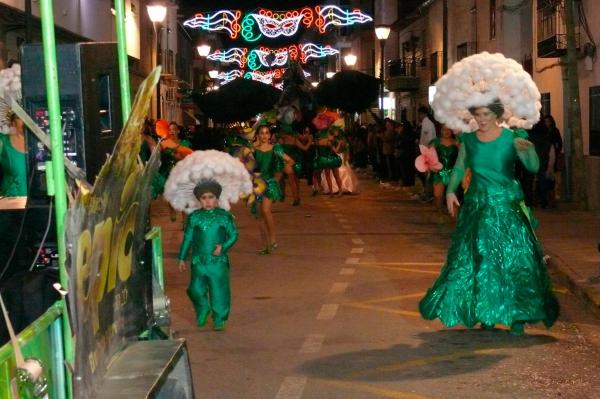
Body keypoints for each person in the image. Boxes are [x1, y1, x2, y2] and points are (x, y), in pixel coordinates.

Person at [419, 102, 559, 335]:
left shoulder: (511, 138)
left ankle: (518, 315)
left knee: (515, 260)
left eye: (486, 114)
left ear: (497, 115)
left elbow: (533, 167)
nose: (481, 119)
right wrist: (452, 190)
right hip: (478, 207)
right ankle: (487, 312)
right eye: (477, 114)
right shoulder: (470, 140)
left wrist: (528, 151)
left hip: (506, 208)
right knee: (481, 260)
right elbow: (460, 166)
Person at [177, 180, 238, 331]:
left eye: (211, 197)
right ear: (199, 200)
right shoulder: (194, 217)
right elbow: (188, 238)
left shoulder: (225, 216)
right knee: (194, 289)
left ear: (217, 199)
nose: (207, 201)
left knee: (219, 290)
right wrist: (182, 257)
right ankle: (203, 307)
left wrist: (223, 247)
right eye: (203, 198)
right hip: (199, 260)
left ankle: (219, 318)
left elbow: (234, 234)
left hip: (218, 261)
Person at [254, 125, 294, 254]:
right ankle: (266, 245)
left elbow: (290, 161)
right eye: (262, 133)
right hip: (257, 184)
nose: (264, 135)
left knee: (266, 211)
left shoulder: (275, 149)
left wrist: (284, 169)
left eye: (267, 133)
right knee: (259, 216)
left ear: (270, 135)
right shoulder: (253, 150)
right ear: (258, 135)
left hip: (270, 183)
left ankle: (273, 239)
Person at [429, 125, 458, 211]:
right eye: (444, 129)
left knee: (453, 196)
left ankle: (454, 218)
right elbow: (428, 156)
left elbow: (463, 156)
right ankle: (439, 214)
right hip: (439, 172)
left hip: (453, 172)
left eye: (449, 129)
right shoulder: (435, 142)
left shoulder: (456, 142)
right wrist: (431, 167)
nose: (447, 131)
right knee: (438, 196)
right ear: (440, 130)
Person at [0, 114, 27, 197]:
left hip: (41, 202)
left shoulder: (43, 142)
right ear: (13, 123)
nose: (26, 122)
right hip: (12, 203)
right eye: (21, 118)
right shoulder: (3, 141)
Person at [414, 106, 436, 201]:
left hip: (427, 152)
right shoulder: (425, 123)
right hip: (425, 151)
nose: (418, 116)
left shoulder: (428, 124)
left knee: (427, 174)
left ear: (422, 114)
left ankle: (429, 193)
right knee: (425, 173)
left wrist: (426, 154)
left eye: (419, 114)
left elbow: (429, 140)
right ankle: (427, 191)